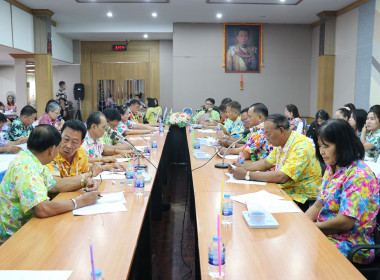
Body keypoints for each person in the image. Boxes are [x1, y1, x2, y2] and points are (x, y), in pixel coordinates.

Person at [0, 125, 100, 244]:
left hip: (30, 228)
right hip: (14, 236)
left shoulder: (32, 160)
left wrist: (84, 182)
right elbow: (42, 209)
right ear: (52, 149)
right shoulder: (26, 167)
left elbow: (55, 184)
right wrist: (80, 202)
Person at [305, 119, 379, 264]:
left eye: (326, 146)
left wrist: (309, 229)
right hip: (326, 233)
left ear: (343, 145)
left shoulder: (359, 175)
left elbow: (345, 222)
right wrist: (302, 223)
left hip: (350, 242)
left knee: (305, 256)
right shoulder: (332, 167)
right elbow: (318, 205)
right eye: (319, 146)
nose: (321, 151)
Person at [229, 114, 322, 210]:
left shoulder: (301, 146)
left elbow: (282, 177)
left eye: (268, 133)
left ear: (281, 130)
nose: (266, 137)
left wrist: (246, 175)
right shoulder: (283, 143)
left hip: (301, 199)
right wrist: (240, 167)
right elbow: (265, 163)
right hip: (283, 191)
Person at [46, 120, 103, 191]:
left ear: (81, 143)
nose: (68, 146)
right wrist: (90, 174)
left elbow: (84, 172)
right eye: (66, 139)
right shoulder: (51, 153)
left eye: (74, 142)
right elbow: (54, 184)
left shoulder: (81, 152)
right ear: (60, 136)